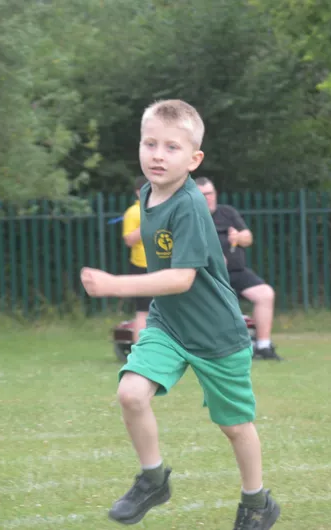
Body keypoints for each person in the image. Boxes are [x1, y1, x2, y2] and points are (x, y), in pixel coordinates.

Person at [80, 99, 280, 528]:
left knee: (235, 426)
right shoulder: (147, 193)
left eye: (171, 147)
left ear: (194, 159)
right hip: (169, 326)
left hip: (215, 335)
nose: (157, 154)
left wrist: (114, 284)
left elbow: (180, 279)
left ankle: (257, 501)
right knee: (131, 394)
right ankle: (154, 481)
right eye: (150, 143)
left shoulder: (189, 205)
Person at [194, 177, 282, 361]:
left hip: (237, 272)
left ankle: (263, 346)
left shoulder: (227, 212)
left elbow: (248, 238)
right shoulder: (192, 217)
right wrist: (213, 259)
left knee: (265, 294)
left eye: (210, 194)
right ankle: (219, 350)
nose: (207, 198)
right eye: (202, 195)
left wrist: (239, 237)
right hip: (208, 275)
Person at [122, 175, 151, 343]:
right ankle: (139, 351)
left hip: (162, 265)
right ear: (138, 193)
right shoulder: (133, 213)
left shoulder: (159, 209)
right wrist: (147, 226)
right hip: (142, 265)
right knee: (143, 311)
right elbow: (129, 240)